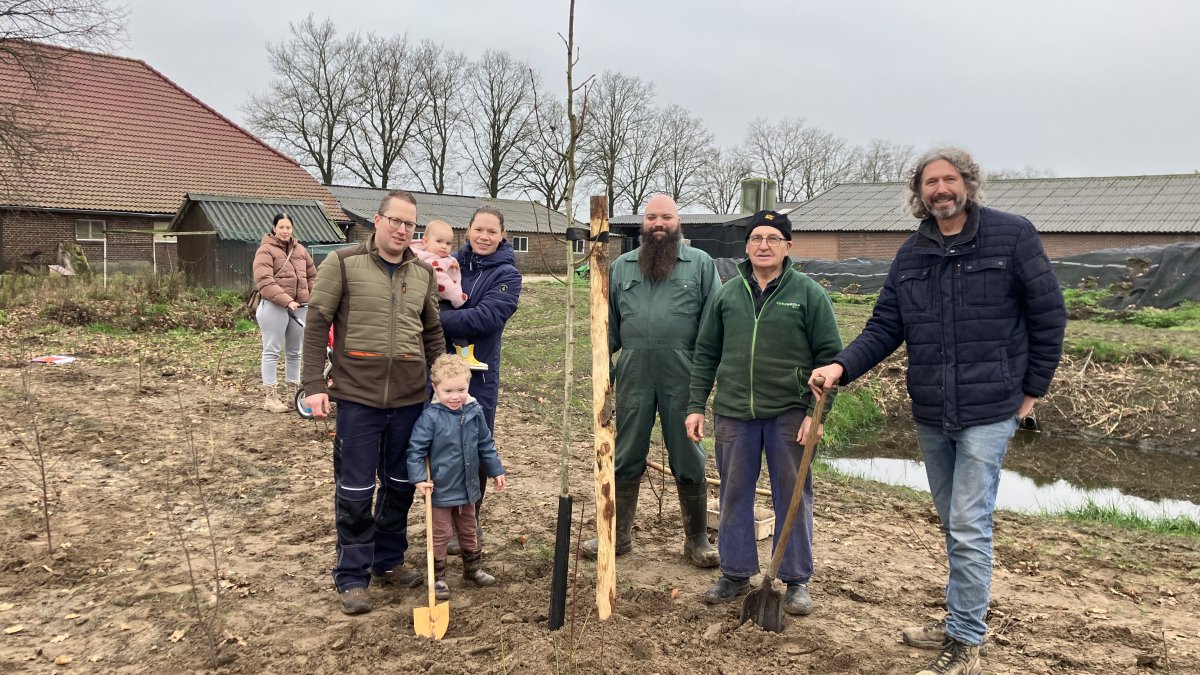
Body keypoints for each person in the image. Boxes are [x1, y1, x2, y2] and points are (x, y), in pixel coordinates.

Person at [809, 147, 1066, 675]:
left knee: (969, 524)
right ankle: (959, 619)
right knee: (954, 523)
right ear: (919, 193)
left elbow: (1049, 315)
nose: (941, 189)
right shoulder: (911, 254)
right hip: (931, 410)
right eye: (931, 182)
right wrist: (840, 368)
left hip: (990, 408)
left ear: (967, 184)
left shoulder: (1012, 236)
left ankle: (966, 641)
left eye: (950, 180)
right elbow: (884, 327)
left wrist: (1032, 390)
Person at [684, 209, 843, 615]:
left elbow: (830, 359)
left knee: (792, 494)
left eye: (773, 238)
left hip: (790, 412)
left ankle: (795, 579)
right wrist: (696, 405)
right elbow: (705, 353)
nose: (764, 245)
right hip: (734, 412)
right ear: (747, 246)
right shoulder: (727, 293)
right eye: (757, 238)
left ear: (788, 246)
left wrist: (816, 415)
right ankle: (735, 573)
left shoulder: (807, 293)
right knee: (734, 493)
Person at [301, 190, 446, 616]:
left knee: (401, 485)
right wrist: (314, 383)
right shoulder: (342, 264)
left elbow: (432, 334)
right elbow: (316, 325)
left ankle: (387, 560)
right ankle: (351, 575)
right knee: (355, 488)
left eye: (410, 224)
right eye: (395, 221)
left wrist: (441, 383)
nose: (403, 230)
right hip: (358, 398)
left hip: (409, 399)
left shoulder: (422, 274)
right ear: (377, 221)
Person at [581, 193, 722, 568]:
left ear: (678, 222)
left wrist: (705, 377)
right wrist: (603, 372)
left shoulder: (701, 265)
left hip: (683, 373)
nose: (658, 224)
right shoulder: (624, 266)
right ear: (643, 224)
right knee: (626, 451)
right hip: (633, 373)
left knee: (688, 453)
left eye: (666, 217)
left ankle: (696, 541)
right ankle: (617, 534)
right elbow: (607, 326)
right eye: (651, 217)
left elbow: (714, 326)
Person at [438, 205, 521, 551]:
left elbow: (486, 319)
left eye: (492, 231)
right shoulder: (448, 264)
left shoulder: (508, 275)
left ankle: (469, 524)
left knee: (473, 445)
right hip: (440, 371)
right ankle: (443, 520)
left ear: (502, 235)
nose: (484, 237)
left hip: (478, 374)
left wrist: (435, 318)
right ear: (467, 229)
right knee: (440, 443)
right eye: (479, 230)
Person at [407, 354, 507, 600]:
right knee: (440, 534)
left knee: (469, 529)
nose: (455, 396)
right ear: (436, 388)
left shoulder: (474, 411)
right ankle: (438, 578)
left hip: (468, 487)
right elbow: (416, 450)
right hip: (439, 489)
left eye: (461, 389)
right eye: (448, 390)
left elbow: (485, 443)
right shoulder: (430, 417)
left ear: (468, 385)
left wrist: (496, 470)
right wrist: (419, 478)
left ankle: (472, 569)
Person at [252, 212, 317, 412]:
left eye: (288, 227)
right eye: (281, 227)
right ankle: (270, 398)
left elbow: (312, 274)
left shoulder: (300, 250)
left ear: (292, 228)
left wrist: (313, 296)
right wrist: (287, 300)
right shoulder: (265, 250)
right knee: (272, 350)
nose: (285, 231)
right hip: (274, 306)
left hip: (300, 307)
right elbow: (264, 280)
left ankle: (292, 396)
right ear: (274, 228)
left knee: (295, 351)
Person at [411, 219, 487, 371]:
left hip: (433, 301)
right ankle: (464, 353)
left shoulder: (441, 258)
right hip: (438, 302)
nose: (444, 247)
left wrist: (452, 263)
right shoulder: (432, 261)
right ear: (425, 241)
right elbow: (442, 283)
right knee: (457, 328)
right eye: (439, 241)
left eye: (448, 243)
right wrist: (458, 298)